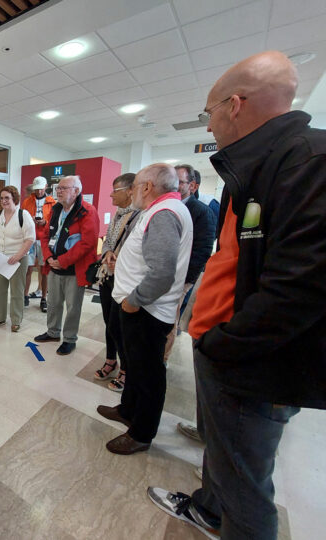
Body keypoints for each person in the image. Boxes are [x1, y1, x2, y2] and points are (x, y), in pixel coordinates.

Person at [148, 50, 326, 540]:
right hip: (224, 348)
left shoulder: (308, 162)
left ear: (235, 104)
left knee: (247, 488)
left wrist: (224, 344)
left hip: (254, 364)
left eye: (209, 112)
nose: (209, 124)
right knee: (223, 459)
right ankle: (208, 508)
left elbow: (302, 287)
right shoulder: (246, 170)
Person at [96, 164, 192, 455]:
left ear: (147, 187)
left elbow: (162, 273)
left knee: (149, 374)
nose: (132, 191)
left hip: (147, 311)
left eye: (135, 185)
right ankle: (128, 410)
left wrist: (133, 301)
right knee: (135, 366)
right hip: (138, 307)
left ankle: (141, 433)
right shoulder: (158, 211)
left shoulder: (164, 214)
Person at [33, 175, 98, 355]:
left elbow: (88, 242)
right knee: (53, 303)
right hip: (54, 267)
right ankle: (53, 332)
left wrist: (63, 261)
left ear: (76, 191)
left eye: (63, 188)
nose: (58, 191)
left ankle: (69, 339)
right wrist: (48, 257)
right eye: (58, 188)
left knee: (72, 307)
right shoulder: (56, 210)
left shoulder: (87, 211)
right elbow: (45, 235)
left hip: (74, 269)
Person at [162, 164, 216, 362]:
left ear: (192, 186)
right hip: (159, 274)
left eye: (179, 181)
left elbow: (202, 251)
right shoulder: (165, 207)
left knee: (169, 319)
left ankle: (163, 358)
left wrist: (183, 280)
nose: (174, 185)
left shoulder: (201, 211)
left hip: (179, 279)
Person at [93, 173, 139, 391]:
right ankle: (111, 360)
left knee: (119, 326)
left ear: (130, 191)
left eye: (115, 190)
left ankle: (126, 369)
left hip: (125, 281)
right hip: (107, 277)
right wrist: (109, 252)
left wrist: (118, 261)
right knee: (108, 323)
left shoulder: (140, 216)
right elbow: (109, 241)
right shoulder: (117, 214)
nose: (111, 194)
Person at [0, 186, 35, 333]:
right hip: (1, 257)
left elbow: (30, 238)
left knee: (17, 291)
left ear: (14, 199)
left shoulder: (23, 215)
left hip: (18, 258)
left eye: (7, 198)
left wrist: (17, 256)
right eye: (2, 198)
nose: (4, 201)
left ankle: (16, 320)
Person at [21, 176, 55, 312]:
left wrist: (45, 222)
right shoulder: (27, 202)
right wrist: (31, 220)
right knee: (28, 268)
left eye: (41, 189)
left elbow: (55, 222)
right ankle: (25, 295)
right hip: (30, 238)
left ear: (46, 187)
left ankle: (43, 298)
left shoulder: (52, 203)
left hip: (44, 239)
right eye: (37, 189)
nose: (39, 191)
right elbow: (22, 219)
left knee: (44, 270)